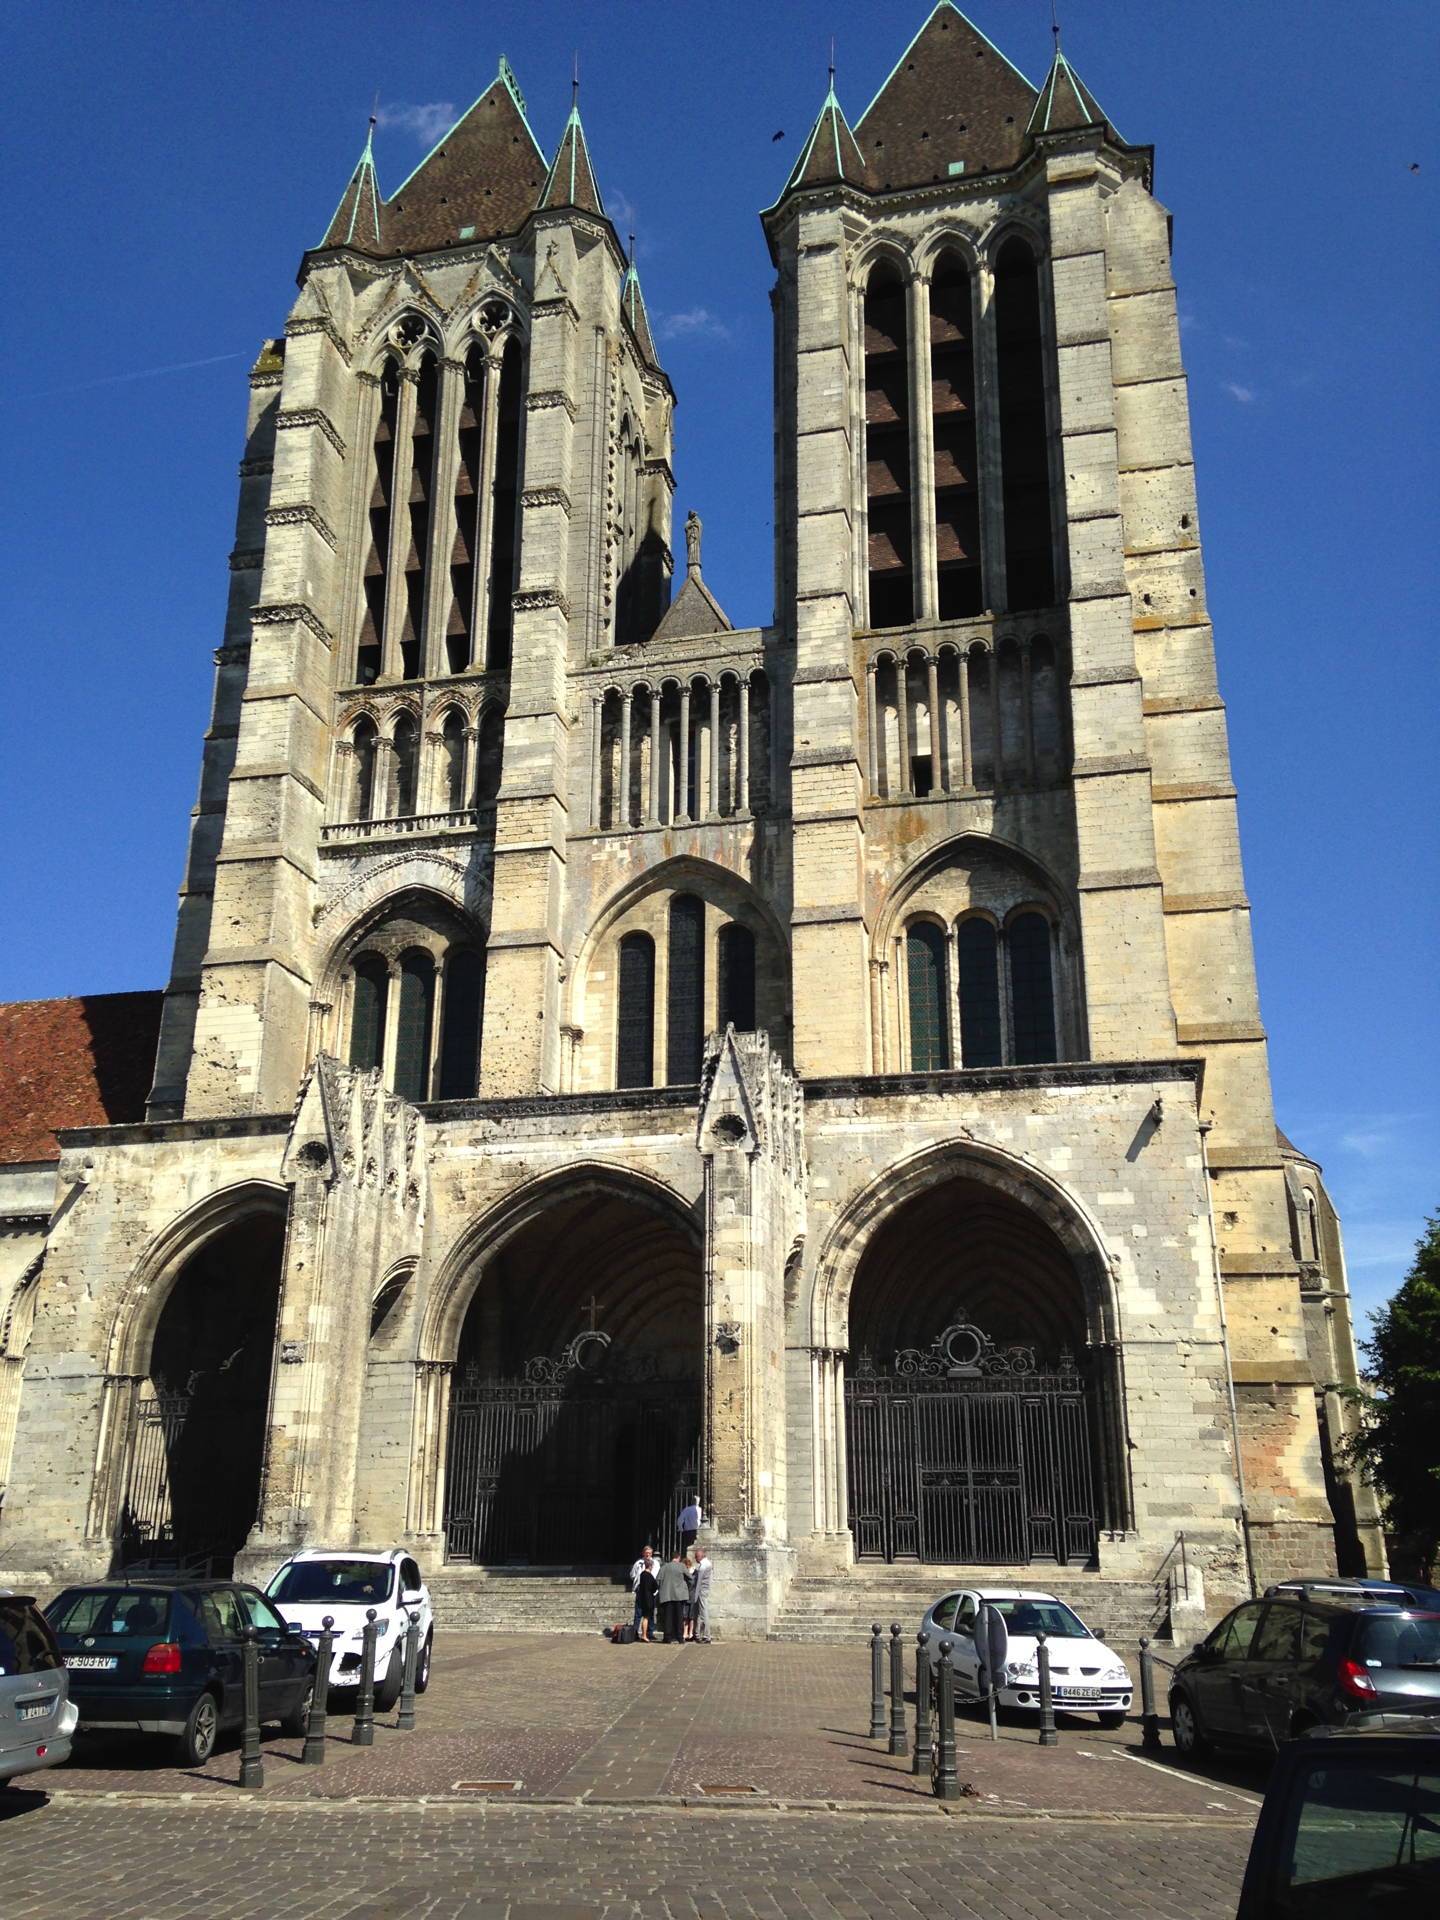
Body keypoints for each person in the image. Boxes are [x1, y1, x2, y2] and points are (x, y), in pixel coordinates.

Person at [656, 1552, 690, 1644]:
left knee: (668, 1617)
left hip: (667, 1595)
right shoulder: (681, 1566)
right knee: (679, 1617)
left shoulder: (664, 1567)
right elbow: (690, 1577)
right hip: (679, 1595)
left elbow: (658, 1580)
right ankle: (680, 1637)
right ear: (678, 1557)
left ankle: (667, 1637)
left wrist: (663, 1588)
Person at [628, 1546, 658, 1642]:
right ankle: (635, 1632)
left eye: (650, 1553)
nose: (648, 1554)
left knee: (650, 1613)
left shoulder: (655, 1563)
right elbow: (632, 1575)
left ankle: (650, 1632)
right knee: (638, 1613)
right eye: (646, 1553)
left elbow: (655, 1575)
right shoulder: (638, 1563)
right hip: (640, 1589)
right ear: (643, 1553)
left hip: (650, 1590)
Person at [689, 1546, 713, 1644]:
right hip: (704, 1590)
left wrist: (695, 1595)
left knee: (703, 1613)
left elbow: (698, 1582)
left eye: (696, 1556)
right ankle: (697, 1634)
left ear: (700, 1556)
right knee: (699, 1613)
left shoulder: (703, 1566)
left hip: (701, 1591)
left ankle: (707, 1636)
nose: (695, 1558)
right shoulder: (707, 1564)